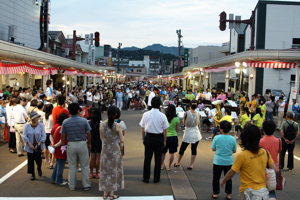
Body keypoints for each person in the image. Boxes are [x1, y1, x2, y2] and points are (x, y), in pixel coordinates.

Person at [220, 124, 277, 200]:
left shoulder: (242, 156)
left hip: (247, 192)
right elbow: (275, 169)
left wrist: (223, 180)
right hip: (263, 192)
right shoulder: (264, 152)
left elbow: (231, 172)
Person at [60, 103, 92, 191]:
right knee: (85, 165)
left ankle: (72, 185)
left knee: (72, 166)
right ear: (78, 111)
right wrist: (89, 143)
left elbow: (63, 135)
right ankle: (86, 184)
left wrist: (63, 144)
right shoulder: (84, 121)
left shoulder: (65, 122)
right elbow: (88, 133)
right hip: (82, 143)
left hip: (71, 144)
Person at [140, 97, 169, 183]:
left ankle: (146, 177)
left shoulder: (146, 114)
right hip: (159, 138)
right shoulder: (162, 115)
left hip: (149, 137)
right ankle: (156, 178)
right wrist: (164, 141)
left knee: (147, 158)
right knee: (158, 158)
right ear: (159, 104)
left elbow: (142, 128)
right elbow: (165, 130)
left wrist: (143, 138)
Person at [99, 106, 124, 199]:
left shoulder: (101, 124)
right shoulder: (118, 125)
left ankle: (105, 193)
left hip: (105, 149)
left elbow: (101, 138)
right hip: (114, 149)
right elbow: (121, 140)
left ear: (106, 113)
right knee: (114, 170)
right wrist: (119, 146)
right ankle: (112, 194)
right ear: (115, 114)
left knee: (105, 169)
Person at [211, 121, 236, 199]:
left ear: (221, 129)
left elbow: (213, 148)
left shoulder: (216, 137)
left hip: (218, 160)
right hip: (229, 161)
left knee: (216, 177)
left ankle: (215, 193)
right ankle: (228, 193)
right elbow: (234, 150)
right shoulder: (232, 138)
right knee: (228, 177)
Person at [174, 100, 201, 169]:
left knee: (183, 148)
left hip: (188, 131)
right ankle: (191, 164)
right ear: (196, 106)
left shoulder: (186, 113)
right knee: (194, 149)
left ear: (189, 105)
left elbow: (184, 122)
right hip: (196, 132)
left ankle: (177, 162)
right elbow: (198, 123)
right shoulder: (198, 114)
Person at [23, 111, 46, 181]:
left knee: (38, 160)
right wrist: (30, 144)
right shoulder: (27, 125)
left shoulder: (41, 125)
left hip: (38, 146)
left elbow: (43, 136)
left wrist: (38, 144)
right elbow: (24, 136)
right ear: (32, 119)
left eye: (37, 117)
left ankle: (39, 168)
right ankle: (32, 174)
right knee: (30, 161)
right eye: (36, 117)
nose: (37, 119)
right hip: (30, 147)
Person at [260, 120, 280, 199]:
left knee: (262, 188)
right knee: (271, 189)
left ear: (263, 130)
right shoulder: (278, 141)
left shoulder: (261, 141)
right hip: (275, 168)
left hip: (263, 168)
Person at [50, 113, 69, 185]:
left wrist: (53, 144)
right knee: (60, 165)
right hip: (61, 149)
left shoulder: (55, 126)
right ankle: (59, 180)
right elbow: (62, 141)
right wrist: (55, 145)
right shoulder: (62, 128)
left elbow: (51, 135)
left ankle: (53, 178)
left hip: (56, 149)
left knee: (58, 164)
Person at [161, 105, 180, 171]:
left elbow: (163, 128)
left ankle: (161, 165)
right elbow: (177, 129)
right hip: (173, 136)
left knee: (163, 152)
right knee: (171, 153)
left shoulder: (165, 118)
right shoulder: (176, 118)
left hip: (165, 137)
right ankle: (169, 166)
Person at [88, 107, 102, 179]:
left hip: (91, 141)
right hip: (99, 141)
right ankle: (97, 173)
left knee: (91, 157)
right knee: (98, 157)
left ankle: (91, 173)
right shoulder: (101, 123)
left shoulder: (89, 122)